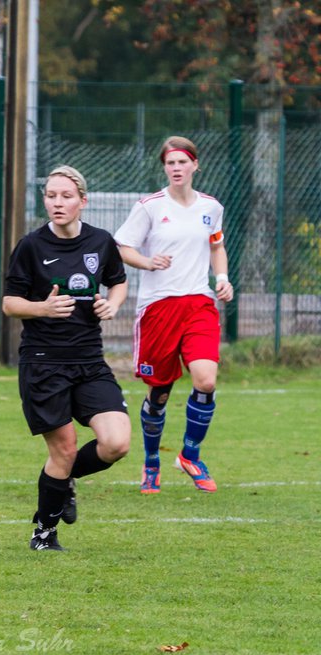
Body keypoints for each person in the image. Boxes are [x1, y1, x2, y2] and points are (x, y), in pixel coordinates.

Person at [2, 165, 131, 551]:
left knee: (116, 443)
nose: (57, 203)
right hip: (43, 362)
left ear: (82, 201)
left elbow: (118, 281)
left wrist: (113, 305)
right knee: (64, 448)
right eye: (51, 196)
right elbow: (10, 304)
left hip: (90, 361)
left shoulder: (100, 241)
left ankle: (64, 479)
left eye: (66, 196)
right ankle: (44, 532)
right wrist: (42, 309)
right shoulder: (31, 246)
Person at [114, 135, 234, 493]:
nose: (177, 168)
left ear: (195, 165)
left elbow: (217, 246)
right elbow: (122, 246)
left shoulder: (211, 207)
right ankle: (151, 462)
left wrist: (223, 278)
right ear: (164, 167)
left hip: (198, 302)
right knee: (160, 391)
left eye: (183, 162)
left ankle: (190, 455)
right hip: (158, 307)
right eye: (170, 163)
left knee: (206, 379)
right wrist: (148, 262)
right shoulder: (150, 206)